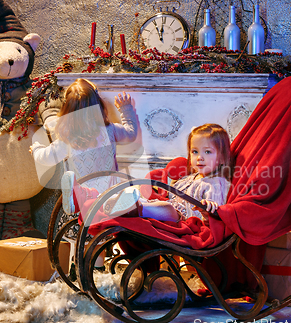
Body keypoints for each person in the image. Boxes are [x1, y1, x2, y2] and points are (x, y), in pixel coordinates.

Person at [30, 78, 139, 213]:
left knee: (79, 198)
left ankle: (84, 200)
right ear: (98, 104)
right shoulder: (110, 130)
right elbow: (130, 134)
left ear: (67, 111)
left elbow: (47, 158)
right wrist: (126, 109)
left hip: (84, 201)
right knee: (120, 193)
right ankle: (111, 205)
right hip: (110, 193)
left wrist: (36, 149)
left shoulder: (67, 140)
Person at [103, 123, 233, 223]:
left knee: (167, 208)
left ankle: (136, 209)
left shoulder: (216, 184)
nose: (199, 157)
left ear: (222, 157)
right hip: (170, 209)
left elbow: (216, 214)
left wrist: (209, 208)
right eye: (195, 151)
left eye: (208, 152)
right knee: (144, 195)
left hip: (185, 221)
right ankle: (119, 204)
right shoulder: (193, 177)